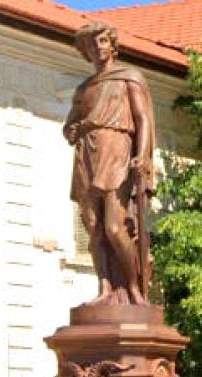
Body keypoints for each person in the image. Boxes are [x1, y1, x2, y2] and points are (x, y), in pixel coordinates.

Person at [64, 22, 155, 305]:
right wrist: (73, 130)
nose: (98, 48)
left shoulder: (129, 77)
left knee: (115, 227)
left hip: (117, 151)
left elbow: (143, 119)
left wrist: (142, 155)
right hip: (86, 156)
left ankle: (133, 287)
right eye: (91, 44)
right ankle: (104, 287)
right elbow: (69, 126)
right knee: (94, 226)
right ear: (86, 52)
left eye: (102, 41)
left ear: (112, 44)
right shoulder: (84, 89)